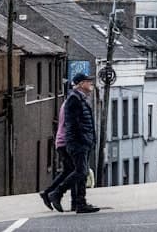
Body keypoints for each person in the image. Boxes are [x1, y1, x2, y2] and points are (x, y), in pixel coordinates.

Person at [45, 72, 99, 214]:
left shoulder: (79, 99)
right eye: (88, 81)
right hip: (77, 143)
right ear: (81, 84)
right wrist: (82, 140)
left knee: (81, 172)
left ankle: (80, 203)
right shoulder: (74, 100)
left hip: (82, 142)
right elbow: (73, 124)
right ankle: (56, 193)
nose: (91, 84)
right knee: (80, 171)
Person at [39, 99, 77, 210]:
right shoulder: (72, 103)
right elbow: (71, 125)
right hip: (66, 143)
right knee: (76, 171)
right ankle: (57, 195)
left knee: (69, 171)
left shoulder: (67, 102)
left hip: (62, 142)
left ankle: (48, 193)